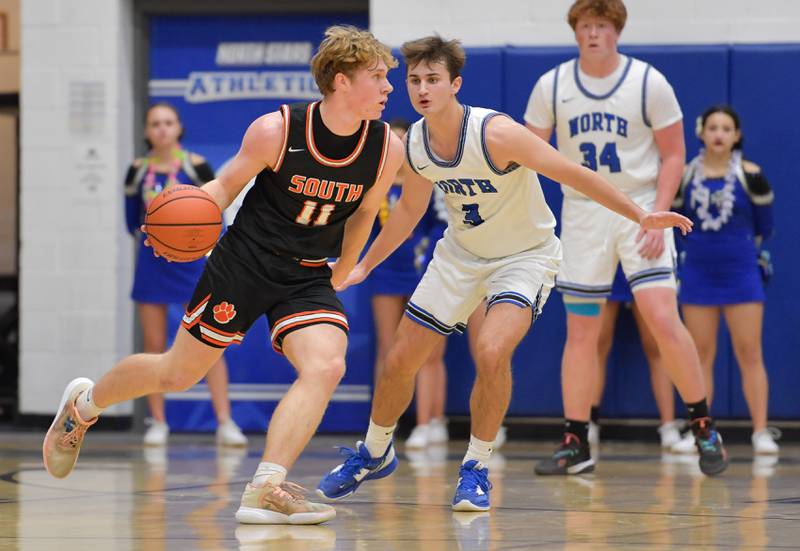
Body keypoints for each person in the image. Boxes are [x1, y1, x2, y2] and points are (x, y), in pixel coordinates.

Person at [42, 25, 404, 525]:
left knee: (326, 366)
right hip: (244, 263)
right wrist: (166, 224)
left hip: (306, 275)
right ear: (341, 81)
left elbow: (365, 212)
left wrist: (346, 267)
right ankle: (83, 406)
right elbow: (223, 187)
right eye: (379, 76)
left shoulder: (387, 147)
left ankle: (266, 486)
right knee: (177, 373)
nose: (389, 87)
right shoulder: (277, 130)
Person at [316, 35, 691, 512]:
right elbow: (409, 211)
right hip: (460, 255)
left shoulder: (497, 133)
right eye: (413, 80)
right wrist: (366, 264)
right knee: (397, 361)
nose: (422, 88)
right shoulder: (415, 143)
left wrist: (641, 215)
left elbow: (574, 174)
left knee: (491, 350)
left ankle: (476, 466)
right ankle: (373, 450)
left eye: (433, 79)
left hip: (525, 256)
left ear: (455, 84)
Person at [524, 0, 727, 476]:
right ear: (576, 32)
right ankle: (576, 440)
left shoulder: (648, 82)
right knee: (582, 331)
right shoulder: (550, 85)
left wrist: (657, 211)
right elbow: (528, 152)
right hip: (582, 213)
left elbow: (674, 155)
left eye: (602, 26)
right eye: (585, 26)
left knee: (662, 317)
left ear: (616, 31)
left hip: (639, 210)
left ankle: (702, 425)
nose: (593, 34)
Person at [124, 102, 247, 448]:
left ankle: (225, 422)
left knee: (209, 341)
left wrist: (191, 243)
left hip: (193, 264)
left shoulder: (196, 167)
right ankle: (158, 422)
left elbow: (215, 212)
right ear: (147, 131)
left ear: (179, 128)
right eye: (154, 123)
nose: (161, 129)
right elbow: (131, 221)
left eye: (168, 122)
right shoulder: (135, 171)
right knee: (152, 344)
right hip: (153, 263)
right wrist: (163, 237)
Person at [671, 105, 777, 455]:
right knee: (699, 354)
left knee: (750, 352)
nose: (719, 133)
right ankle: (701, 432)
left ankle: (760, 431)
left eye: (726, 128)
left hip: (742, 273)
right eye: (713, 127)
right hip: (699, 274)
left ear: (736, 136)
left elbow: (765, 226)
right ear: (701, 133)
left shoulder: (752, 175)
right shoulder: (685, 175)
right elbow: (676, 221)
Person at [369, 119, 449, 449]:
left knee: (428, 352)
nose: (397, 148)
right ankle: (382, 427)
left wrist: (426, 250)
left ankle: (430, 422)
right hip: (386, 272)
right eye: (392, 142)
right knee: (388, 350)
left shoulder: (429, 179)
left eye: (402, 141)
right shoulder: (376, 183)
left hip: (425, 270)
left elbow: (442, 223)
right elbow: (366, 228)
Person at [591, 267, 681, 449]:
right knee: (598, 344)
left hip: (642, 256)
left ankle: (668, 426)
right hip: (607, 257)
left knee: (656, 344)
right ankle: (588, 423)